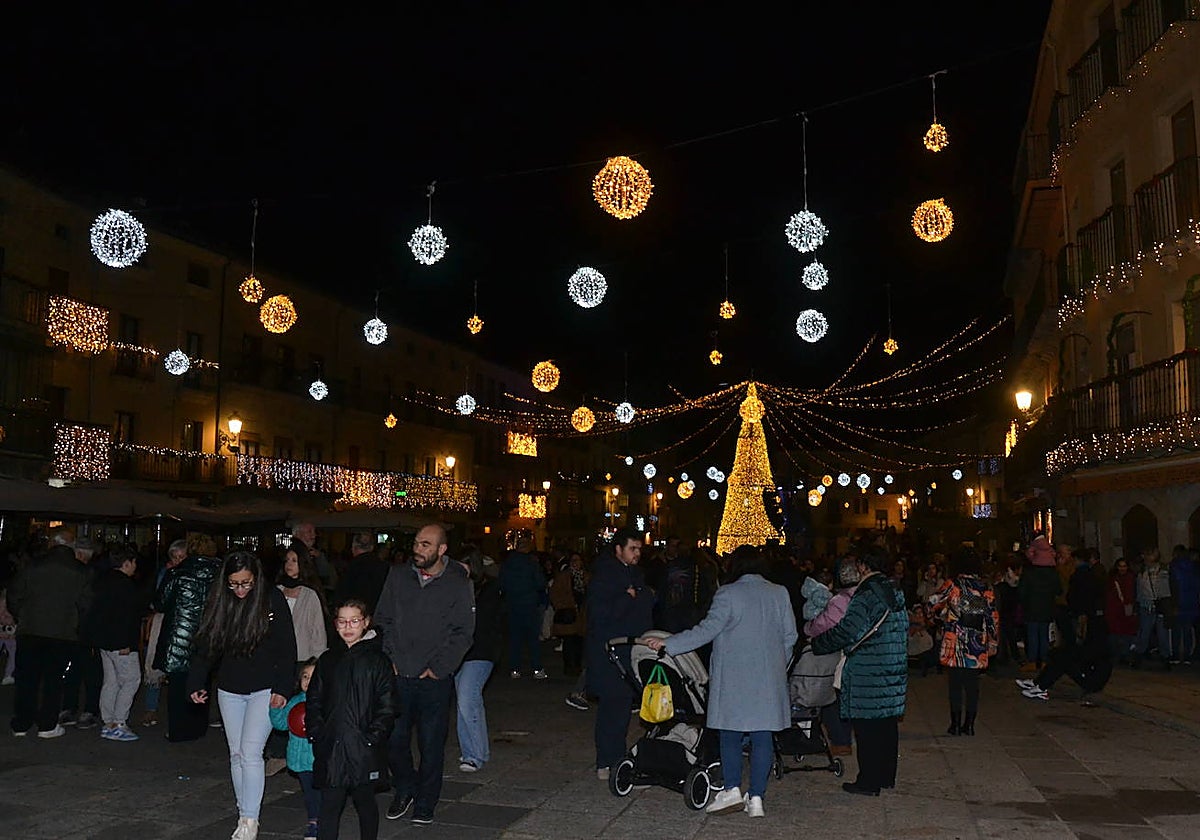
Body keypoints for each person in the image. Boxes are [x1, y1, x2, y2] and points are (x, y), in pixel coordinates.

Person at [646, 544, 797, 818]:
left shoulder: (728, 594)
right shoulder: (779, 593)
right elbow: (790, 636)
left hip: (735, 678)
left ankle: (731, 789)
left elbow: (706, 631)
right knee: (763, 736)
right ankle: (757, 798)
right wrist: (778, 665)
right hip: (768, 679)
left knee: (730, 734)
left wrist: (669, 644)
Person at [188, 552, 298, 840]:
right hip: (230, 688)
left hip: (264, 687)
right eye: (234, 584)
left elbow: (287, 648)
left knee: (250, 753)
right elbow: (207, 644)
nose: (239, 590)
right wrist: (197, 681)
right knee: (236, 754)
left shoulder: (272, 599)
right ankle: (242, 812)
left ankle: (251, 818)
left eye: (245, 583)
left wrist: (283, 689)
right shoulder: (221, 601)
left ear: (256, 579)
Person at [375, 524, 474, 826]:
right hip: (399, 674)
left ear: (442, 550)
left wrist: (440, 668)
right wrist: (390, 657)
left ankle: (426, 801)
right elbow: (383, 618)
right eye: (417, 543)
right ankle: (405, 788)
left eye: (426, 545)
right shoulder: (398, 576)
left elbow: (463, 631)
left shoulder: (457, 583)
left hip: (433, 680)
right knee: (394, 740)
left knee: (431, 744)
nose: (419, 549)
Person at [810, 547, 908, 796]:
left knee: (867, 728)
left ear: (864, 566)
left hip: (869, 668)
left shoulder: (866, 593)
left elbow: (848, 630)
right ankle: (886, 776)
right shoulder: (894, 589)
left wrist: (819, 643)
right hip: (893, 664)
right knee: (887, 724)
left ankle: (868, 781)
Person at [307, 600, 396, 840]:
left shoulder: (378, 661)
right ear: (335, 624)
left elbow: (387, 706)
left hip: (363, 748)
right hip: (333, 744)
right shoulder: (328, 660)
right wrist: (316, 731)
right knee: (330, 805)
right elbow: (314, 698)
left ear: (366, 623)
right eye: (342, 621)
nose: (348, 626)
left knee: (365, 803)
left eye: (354, 621)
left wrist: (372, 737)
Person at [6, 528, 93, 738]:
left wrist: (22, 615)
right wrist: (75, 624)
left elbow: (14, 595)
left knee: (27, 679)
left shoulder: (32, 566)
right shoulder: (81, 571)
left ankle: (22, 723)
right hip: (62, 633)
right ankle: (47, 724)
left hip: (31, 630)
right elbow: (86, 605)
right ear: (71, 546)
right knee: (54, 681)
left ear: (51, 544)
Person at [585, 528, 654, 780]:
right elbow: (600, 615)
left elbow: (645, 603)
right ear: (618, 549)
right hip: (609, 652)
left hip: (629, 650)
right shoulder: (605, 575)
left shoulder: (635, 574)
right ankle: (606, 760)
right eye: (632, 548)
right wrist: (627, 599)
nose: (637, 554)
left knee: (622, 707)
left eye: (639, 549)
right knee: (611, 708)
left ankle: (616, 757)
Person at [155, 535, 222, 742]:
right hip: (209, 635)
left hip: (180, 636)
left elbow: (160, 603)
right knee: (202, 680)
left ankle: (177, 730)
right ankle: (197, 727)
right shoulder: (220, 574)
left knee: (177, 686)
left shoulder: (177, 573)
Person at [928, 551, 999, 737]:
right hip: (976, 640)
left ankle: (955, 724)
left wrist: (938, 617)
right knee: (972, 685)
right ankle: (970, 724)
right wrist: (993, 641)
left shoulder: (952, 585)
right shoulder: (985, 588)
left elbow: (933, 602)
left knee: (955, 684)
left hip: (956, 640)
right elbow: (992, 617)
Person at [803, 556, 861, 757]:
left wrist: (807, 627)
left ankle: (841, 740)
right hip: (864, 655)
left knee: (833, 700)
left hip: (843, 657)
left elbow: (822, 626)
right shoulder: (865, 598)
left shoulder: (839, 601)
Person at [90, 546, 146, 741]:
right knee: (131, 680)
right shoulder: (125, 585)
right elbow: (126, 617)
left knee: (111, 681)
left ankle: (108, 722)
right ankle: (119, 722)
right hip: (120, 641)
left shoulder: (101, 581)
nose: (135, 567)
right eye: (134, 563)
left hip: (104, 640)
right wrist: (127, 642)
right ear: (127, 563)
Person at [455, 546, 501, 773]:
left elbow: (484, 622)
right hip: (457, 653)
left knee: (466, 698)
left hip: (481, 651)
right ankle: (476, 751)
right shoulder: (454, 588)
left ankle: (473, 755)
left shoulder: (488, 589)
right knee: (469, 702)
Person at [270, 658, 319, 840]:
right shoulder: (295, 701)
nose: (308, 681)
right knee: (309, 793)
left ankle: (320, 821)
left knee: (320, 793)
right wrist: (275, 709)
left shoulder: (326, 701)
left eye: (313, 677)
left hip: (319, 759)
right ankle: (314, 820)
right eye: (305, 676)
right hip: (299, 760)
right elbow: (282, 724)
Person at [1017, 608, 1113, 702]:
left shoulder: (1098, 644)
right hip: (1089, 670)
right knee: (1061, 656)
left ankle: (1041, 688)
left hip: (1092, 679)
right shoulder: (1095, 640)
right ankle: (1038, 683)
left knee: (1063, 661)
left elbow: (1086, 657)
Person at [142, 539, 187, 726]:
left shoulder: (189, 575)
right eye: (175, 557)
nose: (178, 561)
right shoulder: (165, 573)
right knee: (155, 664)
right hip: (164, 620)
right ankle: (151, 709)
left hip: (182, 622)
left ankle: (181, 711)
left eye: (181, 557)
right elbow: (158, 598)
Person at [60, 537, 102, 730]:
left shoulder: (82, 574)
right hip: (84, 631)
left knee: (76, 671)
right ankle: (85, 710)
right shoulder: (91, 574)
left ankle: (74, 708)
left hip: (78, 631)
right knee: (85, 672)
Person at [498, 537, 548, 679]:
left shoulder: (507, 564)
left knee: (515, 638)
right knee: (533, 639)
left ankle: (515, 669)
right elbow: (540, 583)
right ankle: (537, 669)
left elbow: (501, 584)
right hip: (530, 604)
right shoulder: (531, 564)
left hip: (512, 604)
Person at [1018, 536, 1061, 673]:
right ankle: (1043, 660)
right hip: (1047, 606)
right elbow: (1059, 590)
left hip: (1031, 607)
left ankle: (1032, 660)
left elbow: (1022, 591)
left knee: (1032, 634)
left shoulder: (1029, 572)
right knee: (1044, 634)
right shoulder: (1053, 573)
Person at [277, 549, 329, 662]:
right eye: (287, 560)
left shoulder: (309, 595)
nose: (289, 564)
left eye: (294, 561)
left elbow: (317, 631)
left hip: (302, 656)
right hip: (278, 655)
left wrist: (317, 660)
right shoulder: (277, 591)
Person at [550, 552, 589, 677]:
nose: (575, 563)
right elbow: (555, 594)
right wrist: (563, 606)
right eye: (573, 560)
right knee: (569, 641)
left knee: (579, 642)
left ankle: (576, 666)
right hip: (569, 613)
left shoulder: (587, 577)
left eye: (578, 560)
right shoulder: (564, 577)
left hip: (582, 614)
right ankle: (569, 667)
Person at [1133, 548, 1172, 669]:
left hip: (1159, 606)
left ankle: (1165, 657)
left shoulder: (1163, 572)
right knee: (1144, 633)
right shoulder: (1141, 571)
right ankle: (1139, 655)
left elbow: (1166, 590)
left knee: (1162, 634)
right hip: (1145, 605)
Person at [334, 532, 389, 615]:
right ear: (372, 547)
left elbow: (341, 595)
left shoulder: (350, 568)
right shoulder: (385, 567)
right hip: (379, 614)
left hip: (355, 615)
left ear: (353, 547)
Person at [292, 523, 337, 604]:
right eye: (309, 532)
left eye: (314, 532)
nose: (314, 536)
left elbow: (327, 575)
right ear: (297, 534)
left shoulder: (317, 554)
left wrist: (320, 558)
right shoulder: (290, 555)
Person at [1169, 546, 1199, 664]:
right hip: (1191, 603)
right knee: (1187, 630)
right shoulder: (1194, 568)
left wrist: (1173, 604)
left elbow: (1173, 587)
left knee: (1176, 631)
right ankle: (1187, 656)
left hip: (1178, 602)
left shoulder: (1174, 567)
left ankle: (1176, 655)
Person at [1105, 557, 1138, 662]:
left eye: (1124, 566)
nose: (1122, 568)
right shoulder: (1113, 579)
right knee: (1117, 634)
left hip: (1124, 610)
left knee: (1124, 634)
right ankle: (1119, 654)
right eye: (1120, 566)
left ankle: (1123, 654)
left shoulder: (1130, 579)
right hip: (1116, 610)